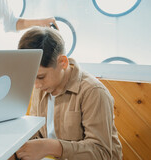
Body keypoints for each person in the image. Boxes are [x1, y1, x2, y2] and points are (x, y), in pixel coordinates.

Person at [12, 27, 122, 160]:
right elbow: (37, 136)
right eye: (31, 77)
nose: (36, 85)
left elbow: (101, 153)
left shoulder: (93, 92)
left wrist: (51, 146)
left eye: (41, 77)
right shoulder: (42, 87)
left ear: (63, 62)